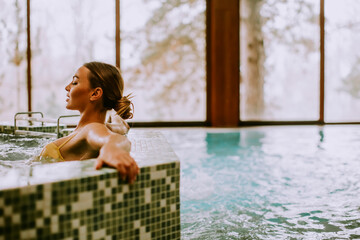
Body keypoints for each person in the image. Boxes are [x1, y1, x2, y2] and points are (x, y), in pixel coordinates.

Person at [39, 61, 139, 184]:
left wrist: (112, 149)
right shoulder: (107, 126)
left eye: (75, 82)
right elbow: (122, 126)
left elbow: (113, 140)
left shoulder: (92, 128)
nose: (67, 87)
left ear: (95, 93)